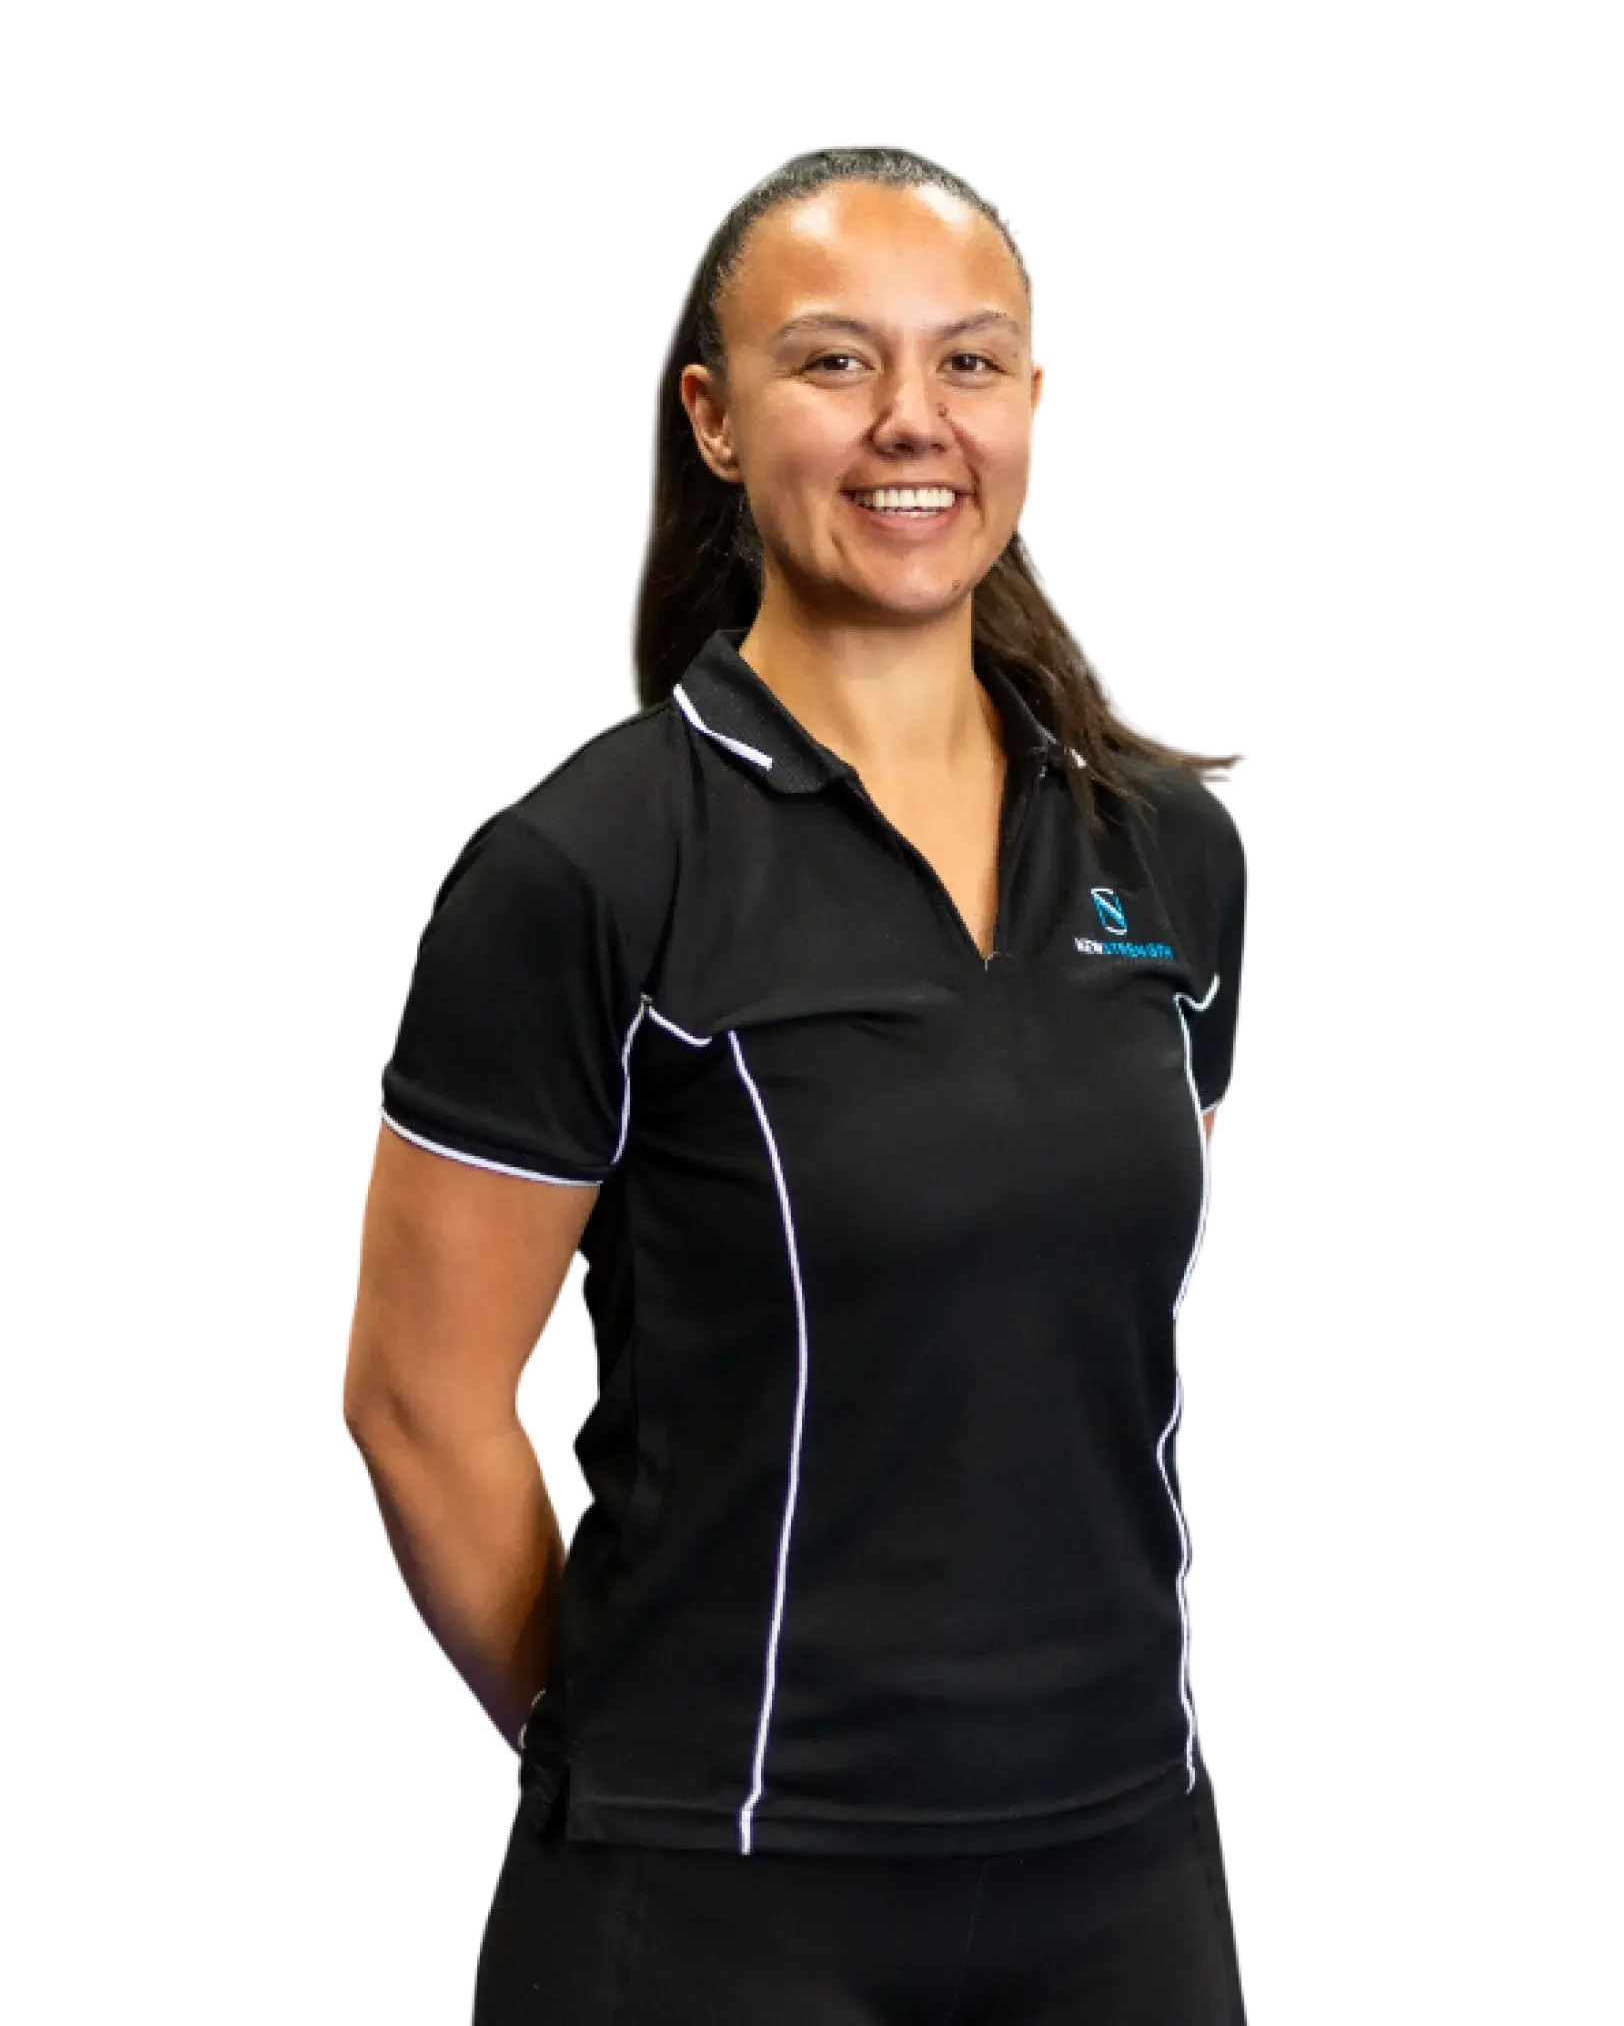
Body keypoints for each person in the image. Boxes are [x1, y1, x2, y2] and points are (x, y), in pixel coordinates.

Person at [347, 141, 1257, 2021]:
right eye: (833, 362)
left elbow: (1095, 1325)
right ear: (716, 417)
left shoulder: (1169, 852)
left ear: (1029, 405)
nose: (908, 424)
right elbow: (418, 1405)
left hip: (1123, 1866)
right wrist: (638, 1749)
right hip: (725, 1897)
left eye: (971, 363)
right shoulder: (590, 868)